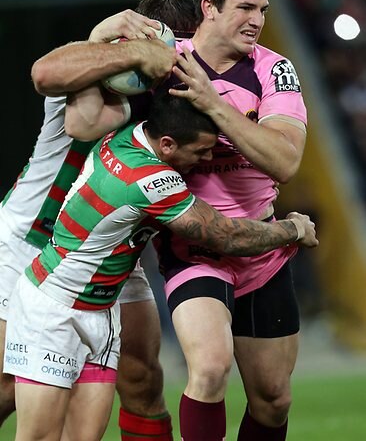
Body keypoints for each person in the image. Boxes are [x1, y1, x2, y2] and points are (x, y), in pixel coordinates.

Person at [29, 0, 313, 437]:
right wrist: (103, 36)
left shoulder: (274, 69)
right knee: (209, 367)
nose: (256, 20)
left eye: (262, 9)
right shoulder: (163, 60)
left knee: (273, 401)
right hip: (194, 248)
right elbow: (77, 118)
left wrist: (211, 103)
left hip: (263, 249)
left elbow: (284, 162)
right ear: (209, 7)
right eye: (245, 7)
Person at [3, 90, 318, 441]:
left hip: (102, 310)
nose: (207, 158)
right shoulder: (149, 180)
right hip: (53, 310)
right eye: (200, 151)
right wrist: (292, 229)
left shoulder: (126, 137)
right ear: (167, 144)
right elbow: (225, 236)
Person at [0, 0, 182, 439]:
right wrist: (107, 40)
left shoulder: (172, 99)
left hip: (108, 251)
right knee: (7, 387)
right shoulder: (89, 76)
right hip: (31, 242)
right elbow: (59, 92)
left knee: (142, 375)